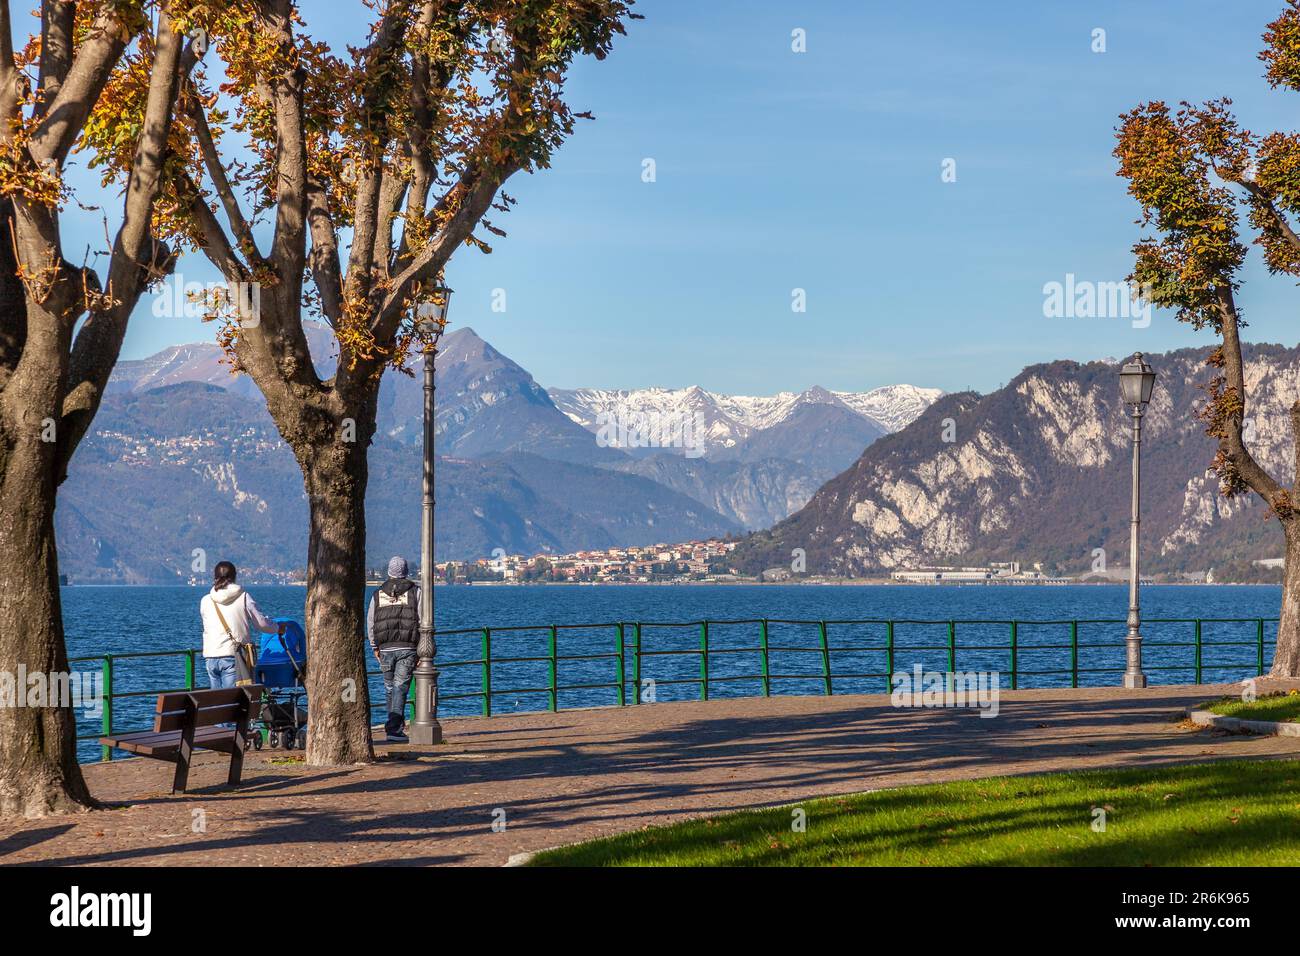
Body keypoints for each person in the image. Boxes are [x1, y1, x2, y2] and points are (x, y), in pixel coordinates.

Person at [199, 561, 283, 689]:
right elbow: (261, 624)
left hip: (210, 656)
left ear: (215, 577)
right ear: (234, 576)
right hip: (233, 655)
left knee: (216, 701)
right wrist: (278, 628)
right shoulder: (243, 597)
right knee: (232, 699)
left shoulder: (206, 600)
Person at [367, 555, 422, 743]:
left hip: (385, 648)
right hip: (407, 646)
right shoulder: (416, 592)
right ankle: (394, 729)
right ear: (406, 572)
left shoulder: (377, 594)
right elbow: (422, 619)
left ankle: (392, 727)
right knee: (400, 687)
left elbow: (371, 622)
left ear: (389, 572)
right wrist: (421, 647)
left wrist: (374, 646)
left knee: (390, 687)